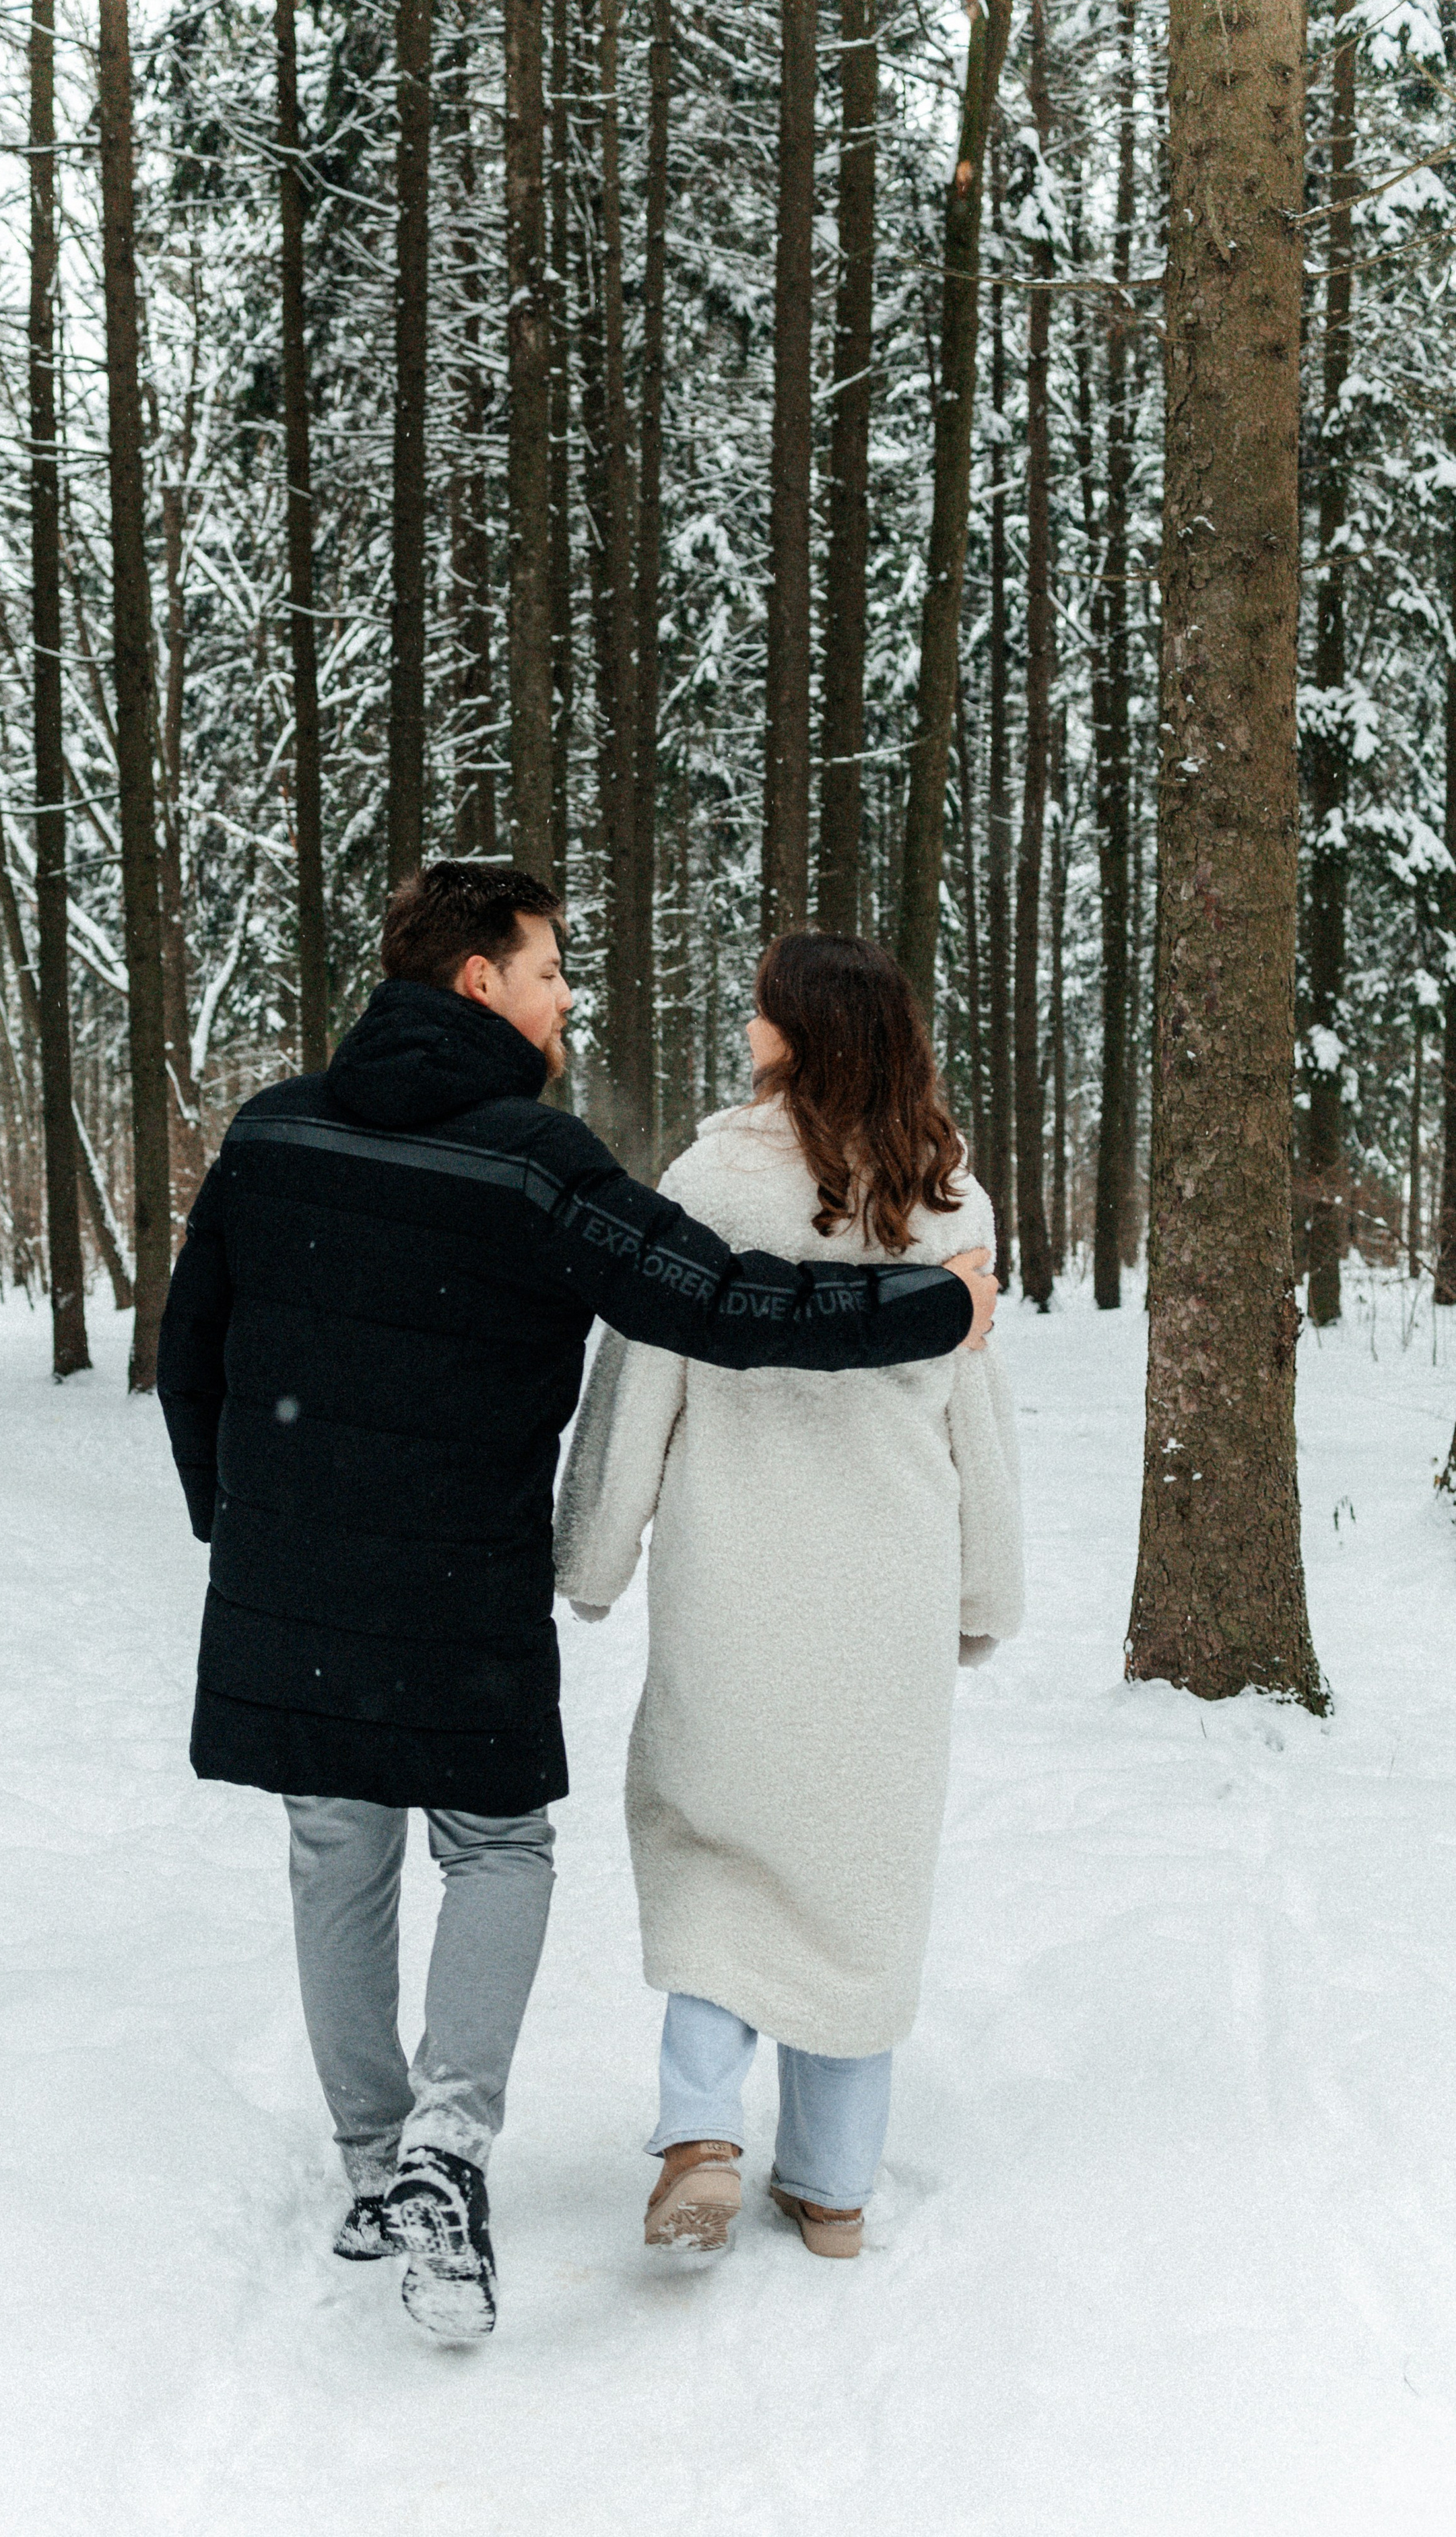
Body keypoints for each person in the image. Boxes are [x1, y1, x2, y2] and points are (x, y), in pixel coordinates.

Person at [157, 866, 997, 2342]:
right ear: (478, 980)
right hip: (458, 1586)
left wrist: (241, 1530)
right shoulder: (533, 1163)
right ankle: (443, 2141)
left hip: (289, 1582)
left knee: (332, 1851)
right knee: (494, 1848)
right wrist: (934, 1304)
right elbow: (720, 1304)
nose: (565, 998)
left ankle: (373, 2162)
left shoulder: (271, 1128)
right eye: (548, 971)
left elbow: (192, 1352)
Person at [554, 930, 1024, 2261]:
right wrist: (982, 1587)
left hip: (735, 1589)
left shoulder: (709, 1184)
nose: (745, 1019)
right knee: (856, 1886)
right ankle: (829, 2186)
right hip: (883, 1601)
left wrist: (592, 1550)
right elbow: (973, 1425)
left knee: (717, 1850)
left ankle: (700, 2128)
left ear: (794, 1032)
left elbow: (636, 1380)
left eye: (759, 1006)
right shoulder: (950, 1206)